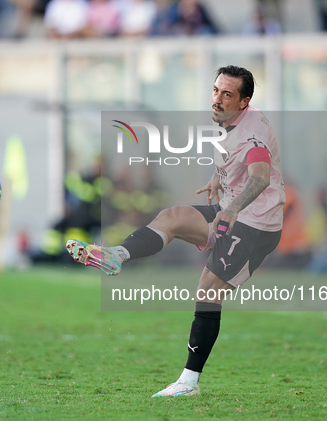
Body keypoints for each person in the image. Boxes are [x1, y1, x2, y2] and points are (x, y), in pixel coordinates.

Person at [67, 65, 285, 397]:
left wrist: (232, 207)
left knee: (208, 290)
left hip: (256, 223)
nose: (218, 99)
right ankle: (116, 256)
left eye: (228, 94)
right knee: (172, 216)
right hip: (232, 207)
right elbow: (235, 161)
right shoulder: (228, 120)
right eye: (216, 90)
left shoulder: (252, 133)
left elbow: (259, 176)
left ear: (244, 102)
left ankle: (189, 382)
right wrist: (219, 178)